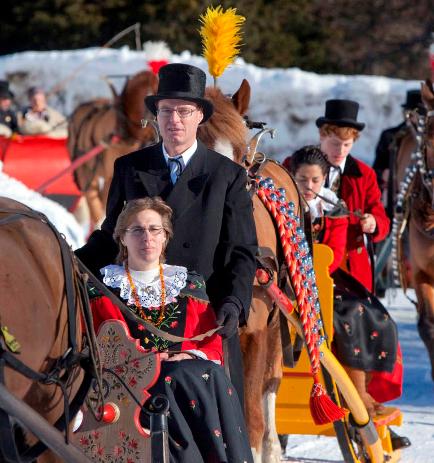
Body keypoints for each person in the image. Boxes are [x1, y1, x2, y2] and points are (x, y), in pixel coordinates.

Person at [76, 63, 258, 402]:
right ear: (156, 117)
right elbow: (109, 237)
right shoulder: (129, 167)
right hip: (136, 319)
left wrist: (235, 301)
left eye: (184, 111)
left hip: (201, 322)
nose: (174, 119)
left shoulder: (227, 176)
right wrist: (69, 264)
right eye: (166, 110)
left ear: (200, 117)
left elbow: (242, 250)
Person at [89, 197, 254, 462]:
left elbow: (210, 344)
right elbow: (101, 346)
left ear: (165, 237)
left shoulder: (188, 286)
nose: (148, 237)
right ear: (122, 238)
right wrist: (153, 361)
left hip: (189, 377)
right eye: (137, 230)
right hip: (130, 383)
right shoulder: (103, 289)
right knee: (175, 377)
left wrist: (189, 356)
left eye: (155, 230)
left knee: (205, 372)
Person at [289, 146, 410, 449]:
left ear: (324, 179)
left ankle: (361, 391)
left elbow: (333, 256)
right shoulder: (284, 204)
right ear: (293, 177)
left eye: (315, 180)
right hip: (288, 280)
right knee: (346, 317)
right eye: (302, 179)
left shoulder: (335, 209)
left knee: (369, 315)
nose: (309, 187)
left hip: (324, 280)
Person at [311, 99, 390, 293]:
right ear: (322, 135)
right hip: (309, 259)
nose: (341, 151)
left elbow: (381, 218)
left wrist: (374, 222)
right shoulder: (297, 165)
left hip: (351, 265)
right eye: (335, 144)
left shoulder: (365, 174)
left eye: (347, 145)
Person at [373, 89, 425, 218]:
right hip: (395, 198)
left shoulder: (429, 139)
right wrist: (384, 174)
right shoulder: (390, 136)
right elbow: (377, 169)